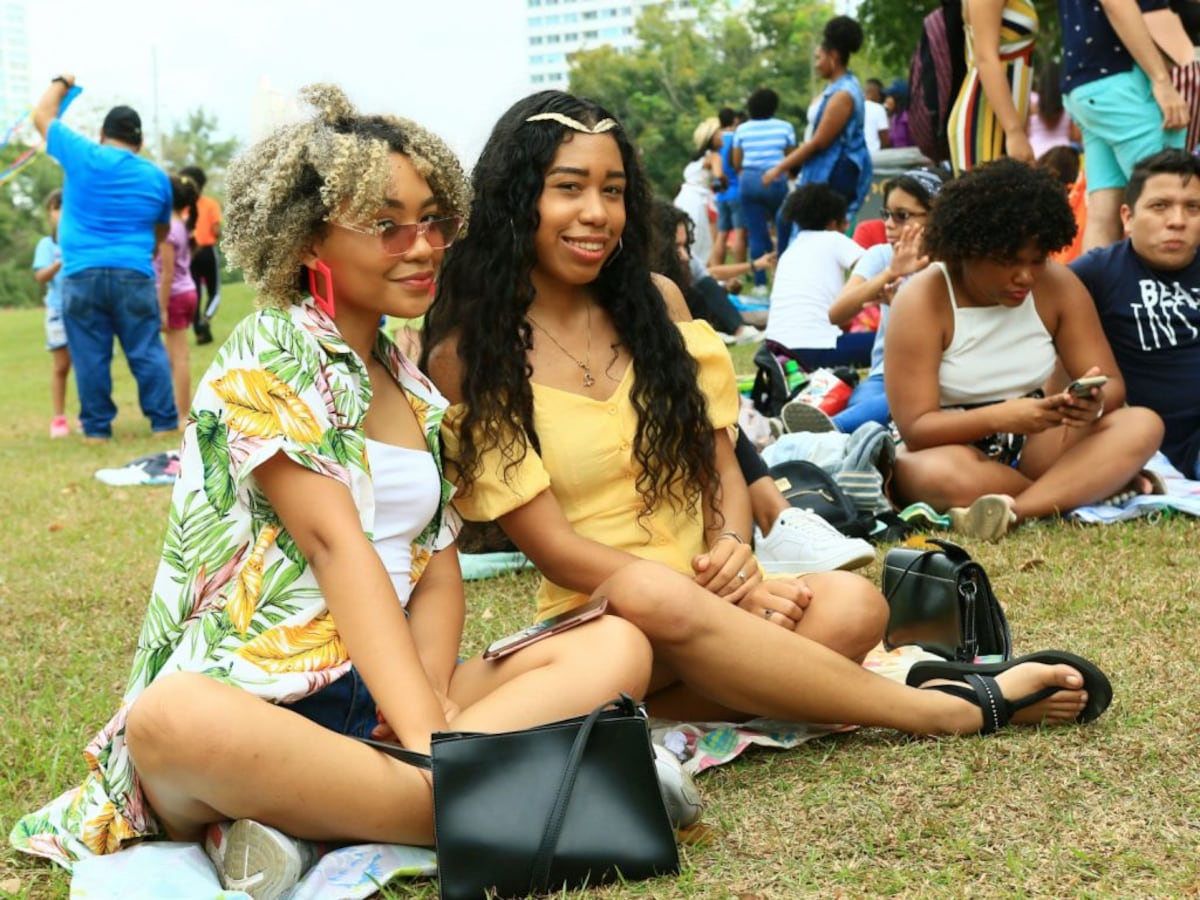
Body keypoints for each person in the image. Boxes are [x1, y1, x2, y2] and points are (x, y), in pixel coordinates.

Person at [10, 85, 658, 898]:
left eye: (434, 219)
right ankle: (517, 802)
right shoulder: (269, 356)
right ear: (309, 234)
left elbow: (437, 561)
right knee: (168, 721)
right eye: (387, 225)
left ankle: (336, 812)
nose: (422, 245)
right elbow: (334, 544)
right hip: (262, 701)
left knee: (618, 642)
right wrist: (432, 735)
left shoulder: (407, 379)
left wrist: (422, 701)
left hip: (379, 700)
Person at [424, 89, 1111, 739]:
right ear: (516, 201)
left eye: (613, 190)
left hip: (711, 590)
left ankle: (652, 712)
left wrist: (730, 551)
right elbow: (552, 548)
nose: (598, 213)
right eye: (568, 188)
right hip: (600, 623)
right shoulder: (470, 353)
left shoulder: (658, 302)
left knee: (856, 607)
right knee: (654, 606)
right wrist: (701, 598)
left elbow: (720, 462)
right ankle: (942, 708)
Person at [885, 158, 1164, 541]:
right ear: (964, 250)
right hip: (949, 447)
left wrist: (1090, 404)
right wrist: (1004, 417)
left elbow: (1112, 383)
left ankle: (1016, 511)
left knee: (1143, 423)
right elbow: (916, 429)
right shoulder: (923, 298)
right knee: (935, 474)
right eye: (1009, 262)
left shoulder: (1058, 285)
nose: (1026, 276)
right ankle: (1087, 487)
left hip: (1039, 437)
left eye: (1037, 260)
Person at [31, 75, 178, 441]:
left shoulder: (81, 153)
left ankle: (97, 429)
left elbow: (42, 115)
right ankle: (163, 423)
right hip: (134, 272)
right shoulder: (157, 178)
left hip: (81, 274)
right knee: (145, 350)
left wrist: (62, 82)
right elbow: (159, 236)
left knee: (90, 356)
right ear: (139, 142)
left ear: (102, 134)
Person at [1070, 149, 1200, 479]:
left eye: (1193, 208)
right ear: (1127, 217)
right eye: (1160, 206)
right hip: (1173, 441)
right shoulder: (1098, 272)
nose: (1177, 221)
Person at [788, 168, 945, 435]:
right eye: (887, 214)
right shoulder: (882, 256)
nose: (889, 224)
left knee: (883, 412)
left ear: (936, 216)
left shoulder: (953, 263)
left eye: (902, 216)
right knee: (868, 408)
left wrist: (901, 305)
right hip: (884, 375)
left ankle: (826, 434)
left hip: (936, 377)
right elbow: (837, 313)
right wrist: (892, 272)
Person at [1059, 0, 1189, 250]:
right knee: (1170, 204)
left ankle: (1091, 289)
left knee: (1103, 213)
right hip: (1124, 81)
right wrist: (1160, 79)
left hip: (1089, 82)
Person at [765, 15, 873, 249]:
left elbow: (819, 142)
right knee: (791, 221)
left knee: (808, 230)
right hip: (821, 171)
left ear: (833, 56)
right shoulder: (836, 88)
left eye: (818, 58)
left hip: (833, 173)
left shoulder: (843, 94)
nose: (816, 64)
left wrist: (779, 168)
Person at [765, 183, 871, 371]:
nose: (847, 227)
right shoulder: (833, 239)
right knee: (899, 341)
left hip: (776, 352)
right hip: (818, 349)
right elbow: (874, 265)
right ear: (832, 224)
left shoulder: (790, 251)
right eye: (844, 222)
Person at [650, 199, 767, 345]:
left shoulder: (686, 259)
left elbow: (707, 277)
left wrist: (723, 287)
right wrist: (754, 266)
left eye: (685, 246)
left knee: (702, 288)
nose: (685, 256)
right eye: (676, 247)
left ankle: (735, 330)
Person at [947, 0, 1039, 174]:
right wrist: (1014, 131)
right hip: (983, 117)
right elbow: (986, 58)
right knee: (983, 199)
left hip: (1005, 118)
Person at [732, 88, 796, 290]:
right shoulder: (785, 127)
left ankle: (760, 284)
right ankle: (784, 279)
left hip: (749, 181)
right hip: (776, 179)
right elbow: (791, 157)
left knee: (756, 232)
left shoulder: (742, 129)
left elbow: (736, 161)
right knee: (783, 228)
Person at [154, 174, 200, 427]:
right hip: (186, 291)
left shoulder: (169, 229)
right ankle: (180, 410)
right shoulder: (179, 224)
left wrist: (161, 308)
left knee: (178, 357)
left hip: (174, 295)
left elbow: (168, 272)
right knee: (177, 356)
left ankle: (182, 414)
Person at [33, 188, 72, 438]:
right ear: (49, 214)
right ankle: (59, 418)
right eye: (56, 208)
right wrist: (60, 262)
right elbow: (40, 276)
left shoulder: (83, 240)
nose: (60, 213)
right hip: (58, 311)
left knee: (89, 365)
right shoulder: (46, 245)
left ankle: (89, 413)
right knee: (61, 366)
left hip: (85, 310)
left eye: (64, 207)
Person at [673, 117, 724, 265]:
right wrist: (724, 181)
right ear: (711, 138)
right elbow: (718, 174)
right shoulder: (714, 156)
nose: (722, 137)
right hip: (697, 202)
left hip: (683, 199)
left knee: (685, 236)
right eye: (719, 135)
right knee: (701, 238)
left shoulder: (696, 160)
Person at [180, 165, 222, 345]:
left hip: (189, 253)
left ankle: (198, 330)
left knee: (194, 292)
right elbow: (217, 229)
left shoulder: (182, 208)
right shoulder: (210, 204)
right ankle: (206, 318)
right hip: (207, 252)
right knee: (214, 292)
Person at [709, 107, 747, 269]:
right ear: (734, 120)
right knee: (739, 232)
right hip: (736, 190)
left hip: (720, 193)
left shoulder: (714, 140)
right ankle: (739, 271)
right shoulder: (736, 137)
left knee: (721, 234)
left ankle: (717, 269)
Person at [863, 77, 892, 152]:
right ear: (875, 93)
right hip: (875, 154)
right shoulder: (879, 109)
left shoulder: (856, 107)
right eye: (881, 94)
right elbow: (884, 138)